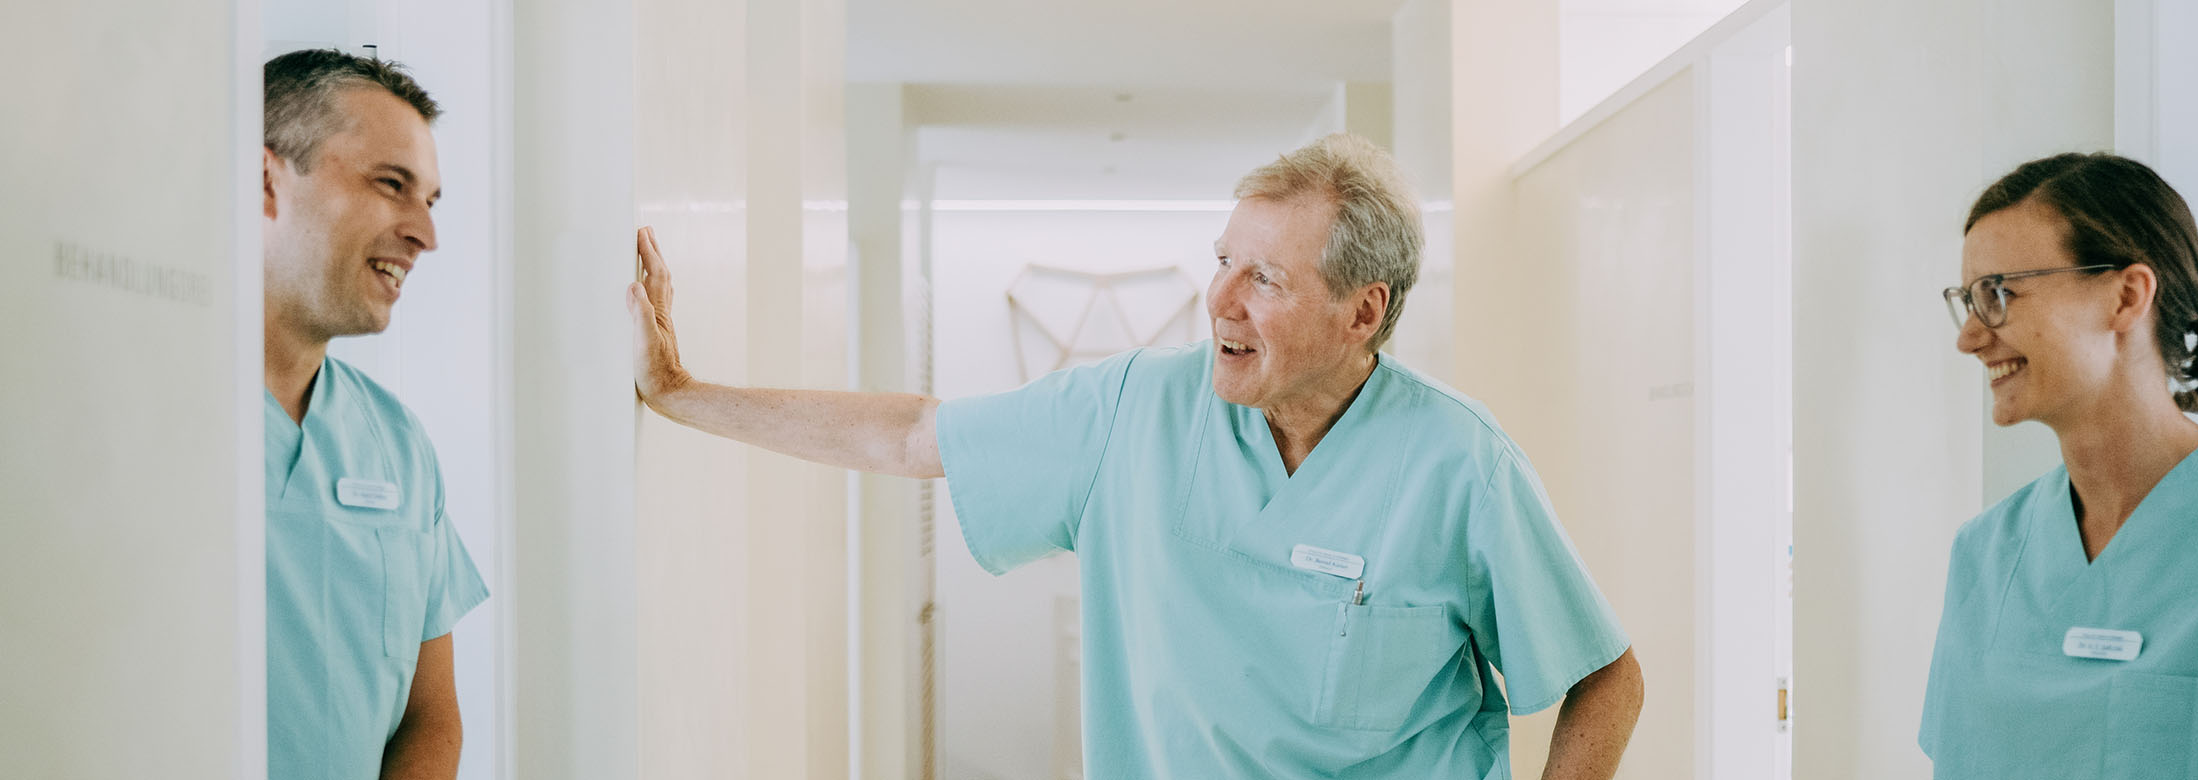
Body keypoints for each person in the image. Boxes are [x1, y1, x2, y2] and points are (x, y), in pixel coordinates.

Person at [629, 134, 1643, 778]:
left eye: (1266, 280)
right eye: (1220, 264)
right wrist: (681, 392)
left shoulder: (1456, 465)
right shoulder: (1128, 413)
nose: (1220, 302)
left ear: (1360, 311)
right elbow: (910, 436)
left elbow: (1605, 679)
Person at [1921, 152, 2198, 778]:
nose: (1969, 335)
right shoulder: (1986, 554)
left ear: (2127, 296)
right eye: (1967, 299)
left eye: (1999, 294)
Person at [261, 48, 489, 779]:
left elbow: (431, 718)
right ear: (264, 180)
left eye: (430, 200)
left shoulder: (397, 446)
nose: (425, 234)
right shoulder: (137, 414)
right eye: (393, 185)